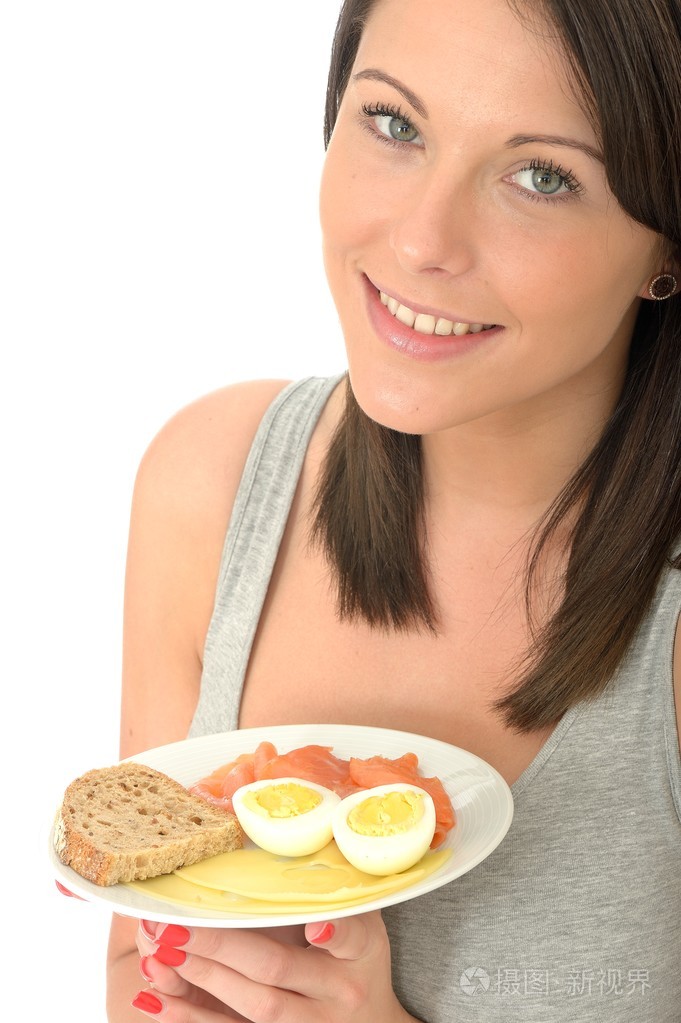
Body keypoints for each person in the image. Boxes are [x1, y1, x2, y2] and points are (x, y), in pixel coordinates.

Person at [103, 0, 681, 1019]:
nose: (421, 242)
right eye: (395, 124)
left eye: (542, 175)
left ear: (665, 245)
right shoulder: (214, 486)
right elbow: (137, 958)